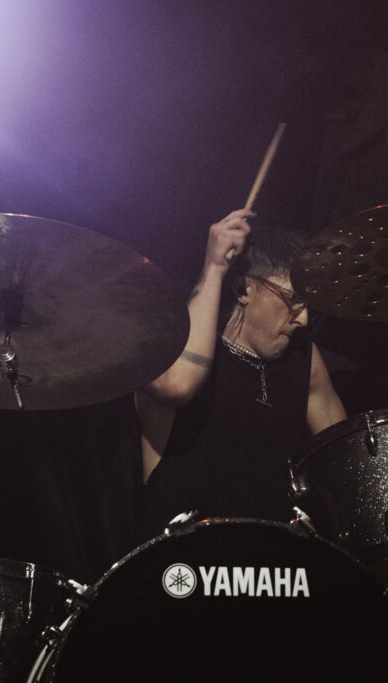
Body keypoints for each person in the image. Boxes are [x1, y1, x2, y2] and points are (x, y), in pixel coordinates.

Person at [135, 208, 346, 539]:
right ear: (244, 290)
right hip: (183, 555)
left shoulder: (304, 357)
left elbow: (344, 460)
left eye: (308, 305)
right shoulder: (172, 344)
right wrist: (214, 268)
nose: (303, 319)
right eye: (292, 300)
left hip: (274, 561)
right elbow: (178, 385)